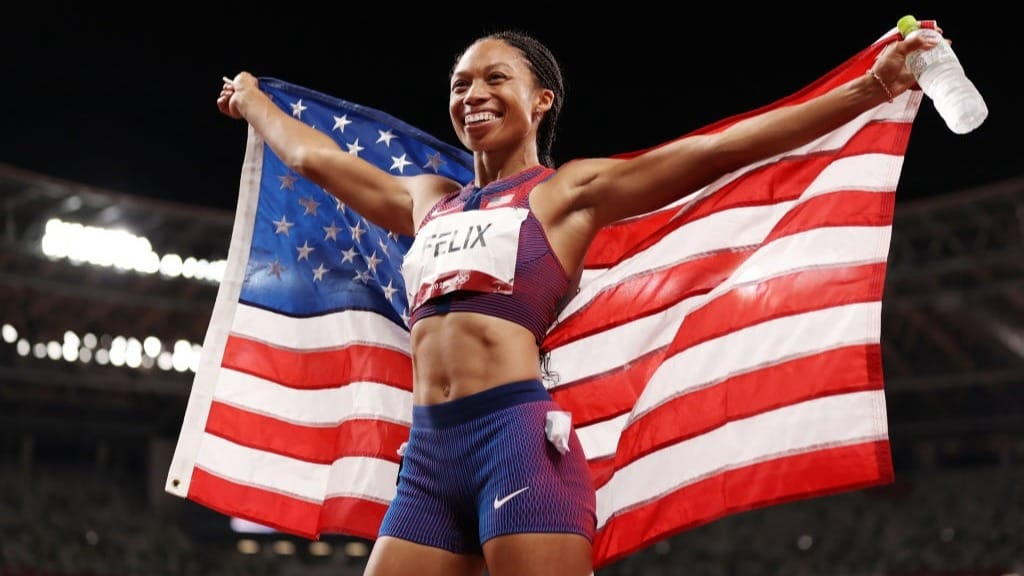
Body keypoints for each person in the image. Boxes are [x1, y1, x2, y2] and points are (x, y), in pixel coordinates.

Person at [217, 26, 938, 576]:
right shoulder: (428, 200)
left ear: (542, 101)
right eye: (461, 83)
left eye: (496, 78)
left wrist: (869, 89)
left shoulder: (567, 194)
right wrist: (253, 101)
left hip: (515, 445)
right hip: (429, 457)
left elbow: (714, 154)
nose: (473, 94)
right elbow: (314, 158)